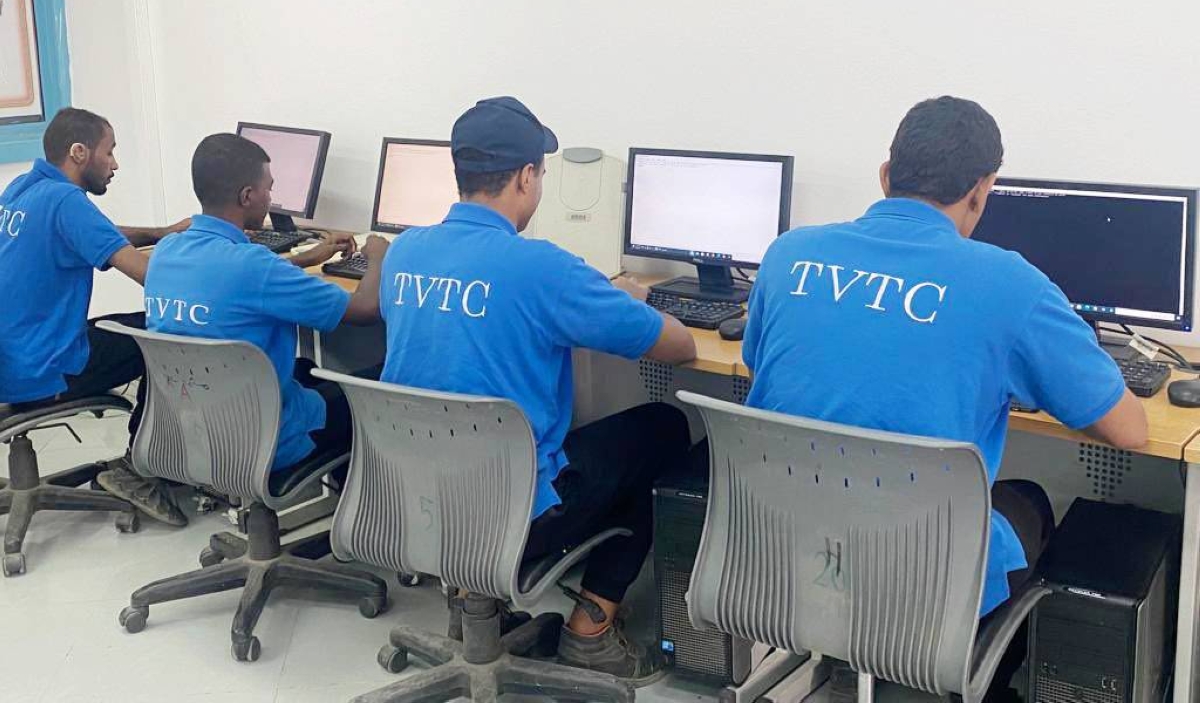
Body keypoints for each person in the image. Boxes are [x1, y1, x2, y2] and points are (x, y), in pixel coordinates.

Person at [742, 95, 1148, 699]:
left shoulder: (787, 254)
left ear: (886, 175)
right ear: (982, 192)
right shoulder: (1010, 285)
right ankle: (972, 682)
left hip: (785, 548)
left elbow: (760, 367)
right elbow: (1128, 430)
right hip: (919, 573)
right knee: (1028, 503)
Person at [377, 96, 696, 684]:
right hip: (512, 515)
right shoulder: (541, 268)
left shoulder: (404, 252)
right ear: (526, 177)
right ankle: (591, 630)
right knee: (664, 427)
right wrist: (632, 297)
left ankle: (472, 599)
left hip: (413, 503)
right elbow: (677, 347)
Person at [142, 133, 388, 475]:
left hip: (192, 432)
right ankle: (360, 500)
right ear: (247, 196)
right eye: (268, 189)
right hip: (268, 439)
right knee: (378, 387)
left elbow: (240, 280)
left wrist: (310, 257)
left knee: (305, 368)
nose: (271, 199)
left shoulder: (166, 252)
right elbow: (365, 310)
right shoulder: (255, 266)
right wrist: (378, 255)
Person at [0, 108, 191, 525]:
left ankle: (159, 461)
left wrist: (159, 233)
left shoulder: (24, 188)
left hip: (14, 358)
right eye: (110, 152)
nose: (115, 164)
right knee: (168, 336)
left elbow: (96, 231)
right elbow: (150, 277)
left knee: (133, 324)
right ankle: (137, 469)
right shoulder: (67, 201)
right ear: (79, 152)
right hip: (43, 370)